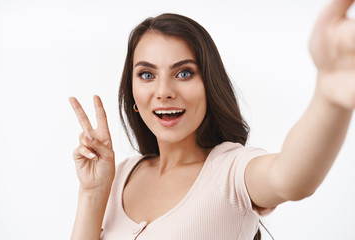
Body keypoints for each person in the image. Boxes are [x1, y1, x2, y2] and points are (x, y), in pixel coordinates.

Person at [69, 0, 355, 239]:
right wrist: (92, 193)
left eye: (184, 73)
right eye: (147, 74)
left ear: (209, 85)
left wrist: (329, 96)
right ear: (131, 91)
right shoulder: (119, 175)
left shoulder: (229, 171)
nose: (164, 92)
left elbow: (291, 178)